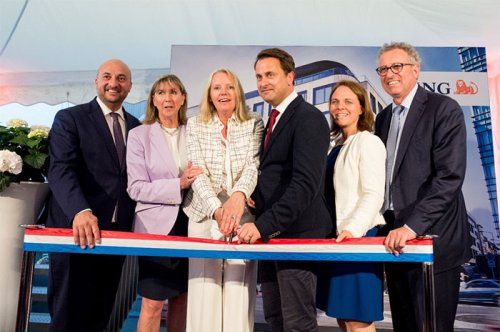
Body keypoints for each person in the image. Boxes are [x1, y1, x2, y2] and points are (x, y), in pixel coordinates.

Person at [374, 42, 472, 332]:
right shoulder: (383, 118)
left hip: (431, 240)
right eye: (382, 69)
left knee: (431, 326)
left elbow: (449, 177)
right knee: (404, 325)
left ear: (415, 70)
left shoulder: (443, 109)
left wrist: (412, 226)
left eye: (397, 66)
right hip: (393, 241)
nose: (389, 73)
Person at [237, 48, 331, 332]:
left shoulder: (308, 118)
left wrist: (262, 225)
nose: (263, 82)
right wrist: (259, 200)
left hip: (296, 237)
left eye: (270, 75)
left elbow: (305, 185)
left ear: (290, 77)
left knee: (297, 323)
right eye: (259, 76)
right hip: (273, 237)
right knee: (275, 318)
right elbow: (278, 174)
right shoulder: (273, 119)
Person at [45, 59, 141, 332]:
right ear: (96, 82)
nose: (114, 83)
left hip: (116, 235)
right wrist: (81, 211)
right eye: (107, 77)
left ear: (130, 86)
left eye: (121, 78)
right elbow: (60, 169)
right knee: (67, 317)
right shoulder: (70, 118)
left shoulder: (137, 126)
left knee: (101, 314)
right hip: (76, 232)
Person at [183, 68, 264, 332]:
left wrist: (238, 198)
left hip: (243, 217)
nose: (223, 92)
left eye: (229, 87)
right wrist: (218, 210)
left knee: (238, 289)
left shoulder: (254, 122)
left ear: (238, 92)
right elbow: (197, 173)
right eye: (217, 87)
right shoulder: (195, 124)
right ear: (209, 94)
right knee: (203, 288)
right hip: (204, 214)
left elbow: (254, 166)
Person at [126, 74, 203, 332]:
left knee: (182, 299)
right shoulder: (139, 135)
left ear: (182, 98)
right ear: (153, 100)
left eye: (173, 92)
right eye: (161, 93)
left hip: (192, 224)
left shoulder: (195, 131)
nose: (167, 98)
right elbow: (135, 188)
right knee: (152, 303)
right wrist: (178, 184)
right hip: (155, 228)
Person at [315, 80, 386, 332]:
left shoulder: (368, 142)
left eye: (347, 101)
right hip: (339, 239)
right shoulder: (335, 147)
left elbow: (374, 194)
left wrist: (353, 231)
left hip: (359, 238)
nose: (339, 107)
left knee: (358, 320)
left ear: (361, 108)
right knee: (344, 318)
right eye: (334, 101)